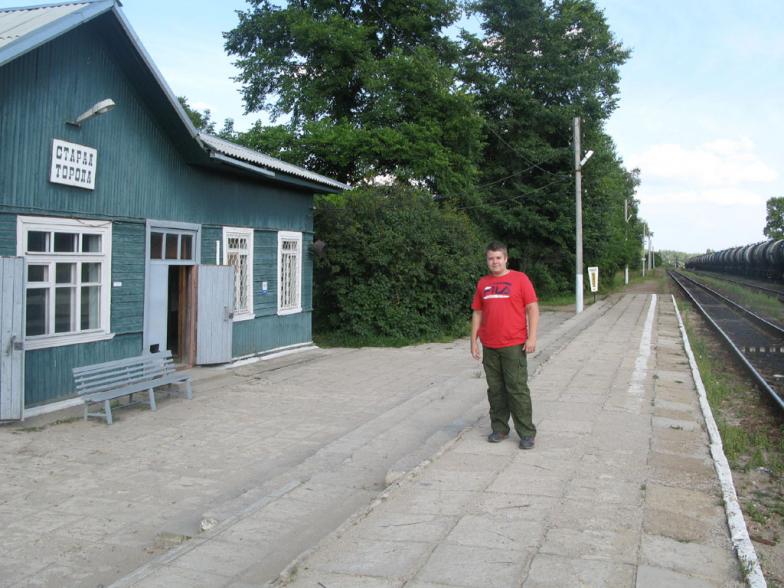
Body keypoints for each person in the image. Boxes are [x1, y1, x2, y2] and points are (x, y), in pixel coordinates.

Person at [470, 241, 539, 449]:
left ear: (506, 258)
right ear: (487, 260)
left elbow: (532, 308)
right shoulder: (483, 283)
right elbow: (477, 312)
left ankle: (526, 433)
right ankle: (499, 428)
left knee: (517, 389)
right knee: (496, 390)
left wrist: (532, 337)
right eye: (491, 258)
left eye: (498, 257)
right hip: (490, 345)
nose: (495, 262)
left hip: (514, 345)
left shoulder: (520, 279)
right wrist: (473, 341)